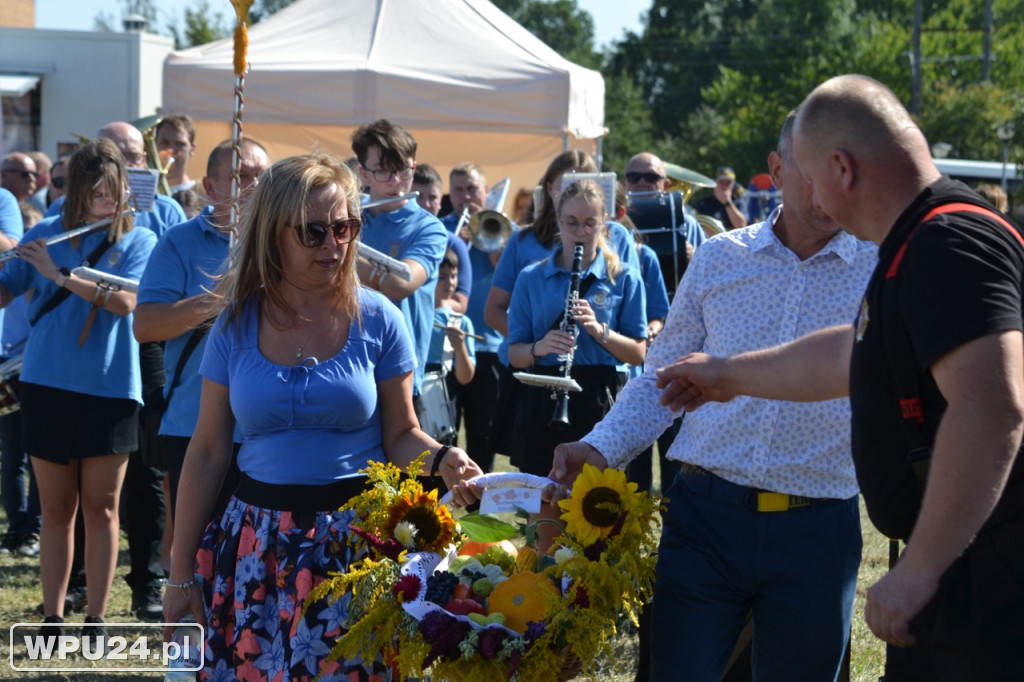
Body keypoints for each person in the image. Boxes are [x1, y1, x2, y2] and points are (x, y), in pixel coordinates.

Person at [655, 75, 1024, 680]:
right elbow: (852, 355)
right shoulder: (919, 240)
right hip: (974, 562)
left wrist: (920, 567)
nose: (810, 195)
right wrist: (728, 374)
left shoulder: (946, 243)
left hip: (989, 575)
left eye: (808, 173)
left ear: (841, 170)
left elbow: (992, 409)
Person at [551, 110, 879, 681]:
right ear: (777, 169)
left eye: (843, 172)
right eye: (813, 171)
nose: (831, 189)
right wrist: (600, 448)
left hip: (817, 526)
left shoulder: (879, 268)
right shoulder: (721, 256)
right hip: (707, 519)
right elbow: (661, 379)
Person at [162, 152, 483, 680]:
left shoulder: (381, 317)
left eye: (345, 227)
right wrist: (179, 574)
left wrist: (443, 457)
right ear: (273, 234)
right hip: (254, 548)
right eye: (313, 232)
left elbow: (400, 434)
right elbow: (208, 452)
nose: (334, 244)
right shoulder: (235, 324)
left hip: (356, 546)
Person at [0, 139, 157, 638]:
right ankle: (52, 617)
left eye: (114, 192)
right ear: (76, 193)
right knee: (56, 509)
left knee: (103, 507)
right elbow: (8, 287)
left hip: (111, 387)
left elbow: (126, 303)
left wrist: (59, 274)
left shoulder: (140, 241)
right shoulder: (47, 232)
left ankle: (96, 618)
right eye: (96, 193)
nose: (106, 202)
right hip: (46, 383)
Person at [134, 136, 270, 521]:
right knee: (197, 555)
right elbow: (146, 326)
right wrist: (219, 294)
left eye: (263, 176)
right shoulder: (180, 241)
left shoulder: (288, 241)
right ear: (210, 188)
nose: (255, 187)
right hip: (196, 428)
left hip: (271, 426)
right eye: (242, 176)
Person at [508, 179, 647, 475]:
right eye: (571, 223)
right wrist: (539, 347)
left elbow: (638, 354)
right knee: (543, 499)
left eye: (589, 224)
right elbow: (514, 355)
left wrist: (599, 331)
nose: (580, 232)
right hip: (545, 396)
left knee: (598, 506)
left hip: (601, 396)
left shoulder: (624, 278)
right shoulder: (531, 278)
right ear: (558, 220)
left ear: (604, 223)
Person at [352, 119, 447, 412]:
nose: (395, 181)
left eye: (403, 170)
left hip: (399, 373)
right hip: (346, 365)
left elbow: (401, 283)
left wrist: (338, 251)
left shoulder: (429, 228)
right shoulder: (346, 216)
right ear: (363, 173)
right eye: (382, 171)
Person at [0, 193, 30, 558]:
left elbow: (12, 245)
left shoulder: (4, 199)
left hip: (10, 352)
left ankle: (26, 527)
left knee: (16, 449)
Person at [413, 163, 472, 313]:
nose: (425, 204)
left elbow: (460, 304)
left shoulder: (454, 243)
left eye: (432, 197)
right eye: (418, 197)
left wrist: (423, 300)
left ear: (440, 201)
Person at [695, 166, 748, 230]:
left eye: (728, 183)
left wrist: (727, 202)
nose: (724, 187)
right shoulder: (703, 204)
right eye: (721, 182)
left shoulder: (739, 202)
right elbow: (703, 229)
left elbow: (742, 226)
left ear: (733, 185)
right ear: (714, 183)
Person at [155, 114, 197, 194]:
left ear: (192, 149)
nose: (171, 150)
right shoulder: (146, 193)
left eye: (179, 144)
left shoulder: (200, 196)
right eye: (165, 143)